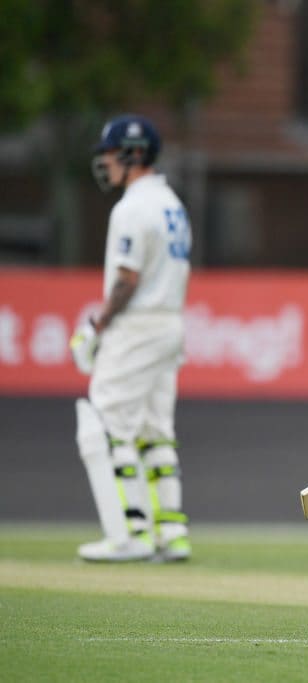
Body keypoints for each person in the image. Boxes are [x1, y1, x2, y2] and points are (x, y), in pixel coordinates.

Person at [69, 114, 192, 563]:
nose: (105, 162)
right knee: (154, 430)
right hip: (170, 324)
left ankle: (128, 534)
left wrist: (95, 326)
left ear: (131, 153)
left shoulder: (132, 207)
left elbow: (126, 279)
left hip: (138, 325)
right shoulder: (171, 202)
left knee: (105, 424)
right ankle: (171, 533)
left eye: (109, 152)